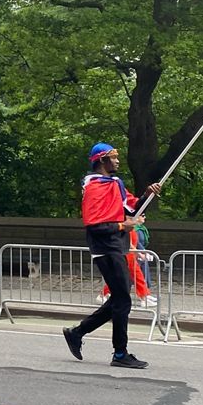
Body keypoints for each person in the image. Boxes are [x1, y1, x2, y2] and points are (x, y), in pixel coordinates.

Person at [62, 143, 161, 369]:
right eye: (113, 158)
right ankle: (119, 353)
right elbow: (94, 225)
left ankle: (77, 333)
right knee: (122, 299)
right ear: (101, 161)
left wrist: (147, 194)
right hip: (105, 248)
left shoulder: (116, 184)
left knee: (119, 298)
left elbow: (132, 208)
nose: (117, 161)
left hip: (117, 246)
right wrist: (123, 226)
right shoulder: (94, 187)